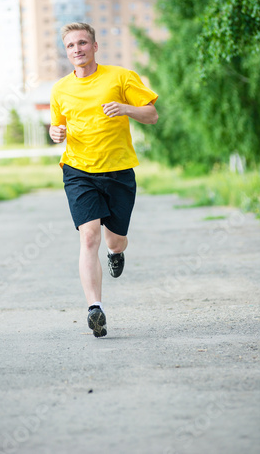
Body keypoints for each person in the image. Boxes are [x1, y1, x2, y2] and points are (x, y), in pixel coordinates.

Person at [49, 22, 158, 338]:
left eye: (82, 43)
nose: (77, 49)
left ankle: (116, 253)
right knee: (89, 237)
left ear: (95, 46)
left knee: (113, 240)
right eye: (71, 46)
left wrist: (125, 108)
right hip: (78, 170)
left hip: (118, 171)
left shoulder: (121, 77)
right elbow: (57, 127)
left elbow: (151, 114)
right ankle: (94, 307)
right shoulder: (59, 89)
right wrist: (55, 133)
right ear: (66, 51)